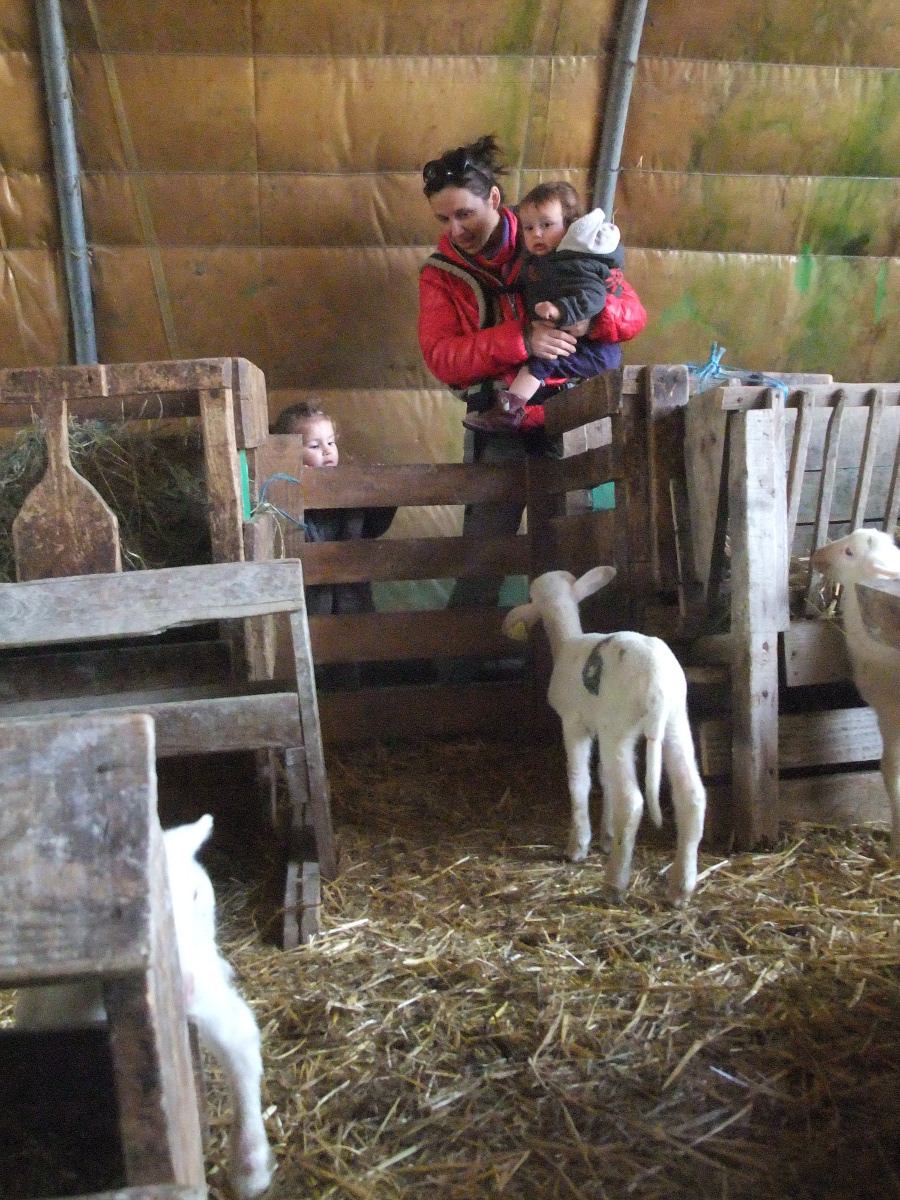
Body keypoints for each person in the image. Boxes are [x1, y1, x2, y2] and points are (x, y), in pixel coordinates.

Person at [418, 134, 645, 608]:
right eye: (444, 219)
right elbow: (442, 358)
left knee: (571, 543)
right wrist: (521, 339)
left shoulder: (558, 243)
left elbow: (631, 314)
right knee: (483, 551)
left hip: (568, 411)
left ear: (494, 200)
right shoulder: (441, 274)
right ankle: (464, 664)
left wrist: (589, 318)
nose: (456, 228)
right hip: (497, 418)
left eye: (465, 214)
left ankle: (572, 658)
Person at [463, 180, 642, 435]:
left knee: (539, 366)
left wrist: (562, 311)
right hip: (570, 344)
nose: (536, 233)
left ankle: (511, 413)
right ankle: (516, 414)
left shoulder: (577, 262)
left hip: (593, 352)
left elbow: (594, 297)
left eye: (547, 225)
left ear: (570, 225)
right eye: (529, 227)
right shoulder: (547, 261)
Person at [270, 402, 396, 619]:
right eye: (314, 446)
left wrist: (382, 494)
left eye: (330, 442)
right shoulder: (284, 492)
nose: (327, 450)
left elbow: (373, 528)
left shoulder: (349, 486)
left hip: (351, 595)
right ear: (290, 454)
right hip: (309, 597)